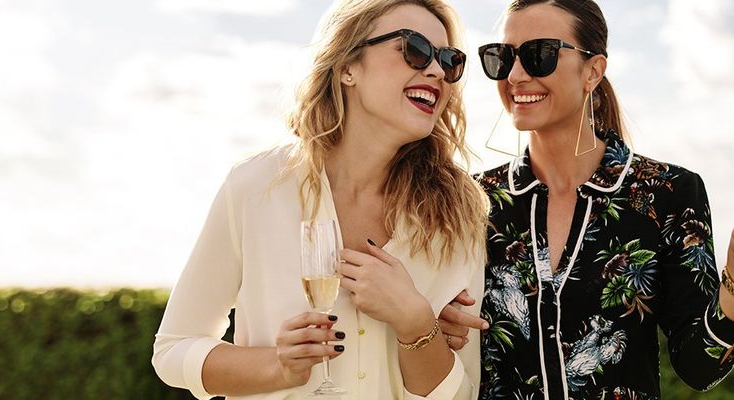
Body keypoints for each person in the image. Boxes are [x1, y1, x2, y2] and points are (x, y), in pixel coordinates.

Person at [435, 0, 734, 398]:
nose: (516, 75)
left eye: (540, 54)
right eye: (503, 57)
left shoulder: (670, 193)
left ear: (593, 71)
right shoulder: (470, 201)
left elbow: (698, 367)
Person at [150, 0, 488, 398]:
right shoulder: (257, 187)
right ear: (347, 67)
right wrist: (277, 367)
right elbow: (174, 350)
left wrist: (415, 321)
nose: (435, 71)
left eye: (450, 61)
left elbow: (461, 392)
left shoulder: (457, 212)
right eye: (414, 49)